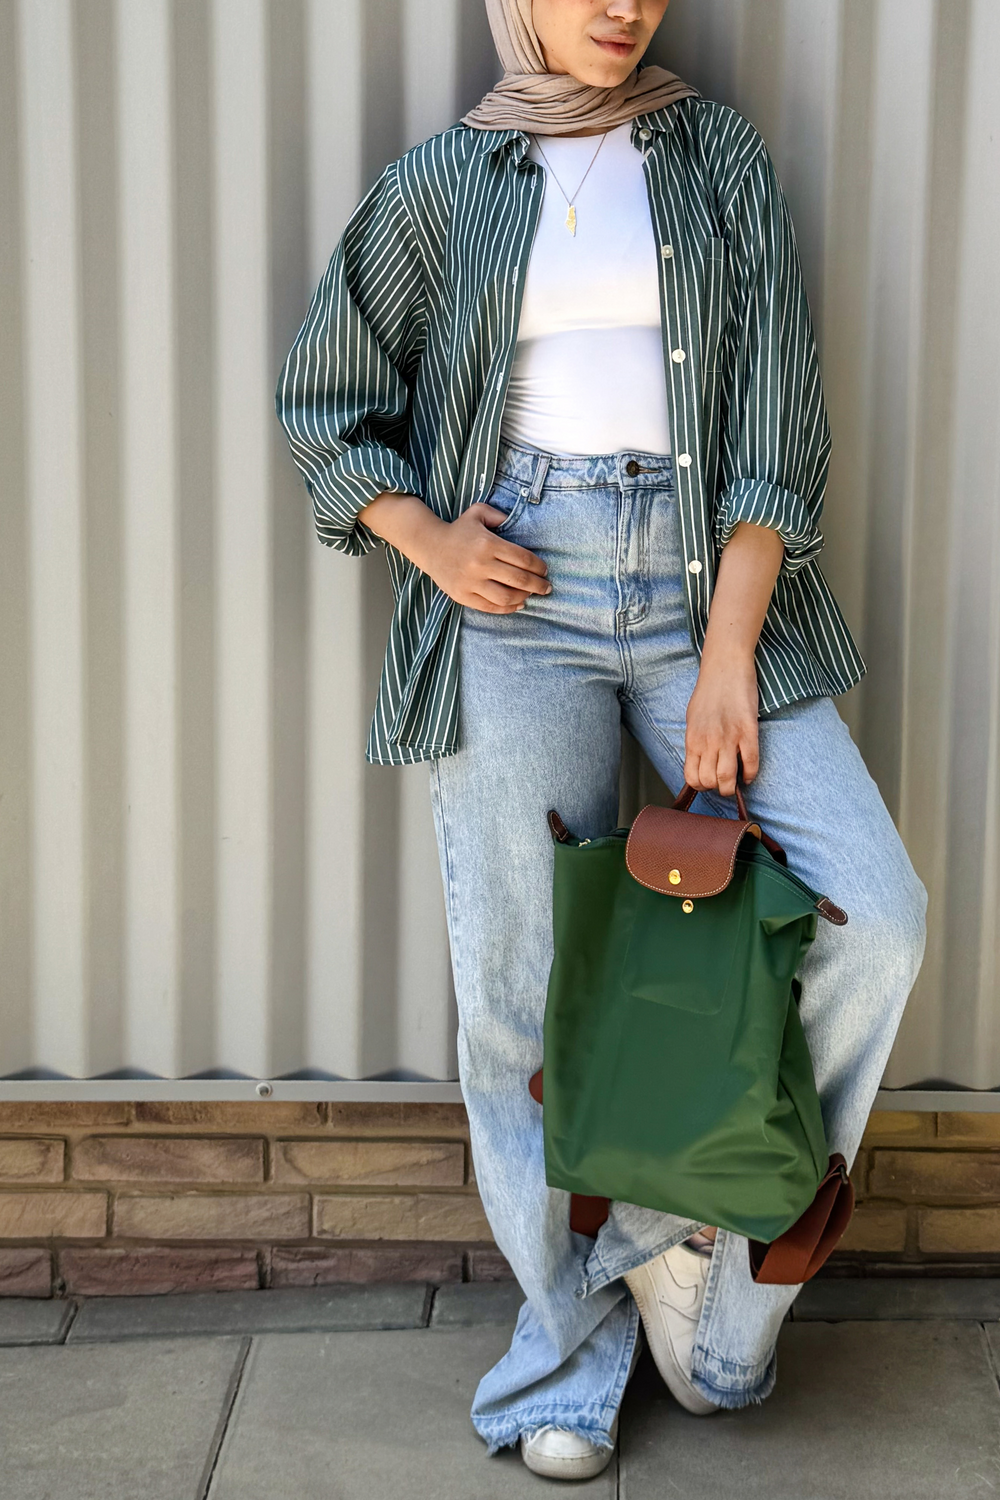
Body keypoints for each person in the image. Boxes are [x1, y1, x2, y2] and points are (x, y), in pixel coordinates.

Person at [276, 0, 927, 1481]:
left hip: (709, 590)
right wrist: (432, 542)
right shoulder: (450, 178)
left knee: (874, 915)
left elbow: (779, 430)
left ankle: (687, 1241)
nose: (622, 5)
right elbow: (325, 398)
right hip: (519, 596)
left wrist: (731, 653)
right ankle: (564, 1356)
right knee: (519, 995)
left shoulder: (716, 159)